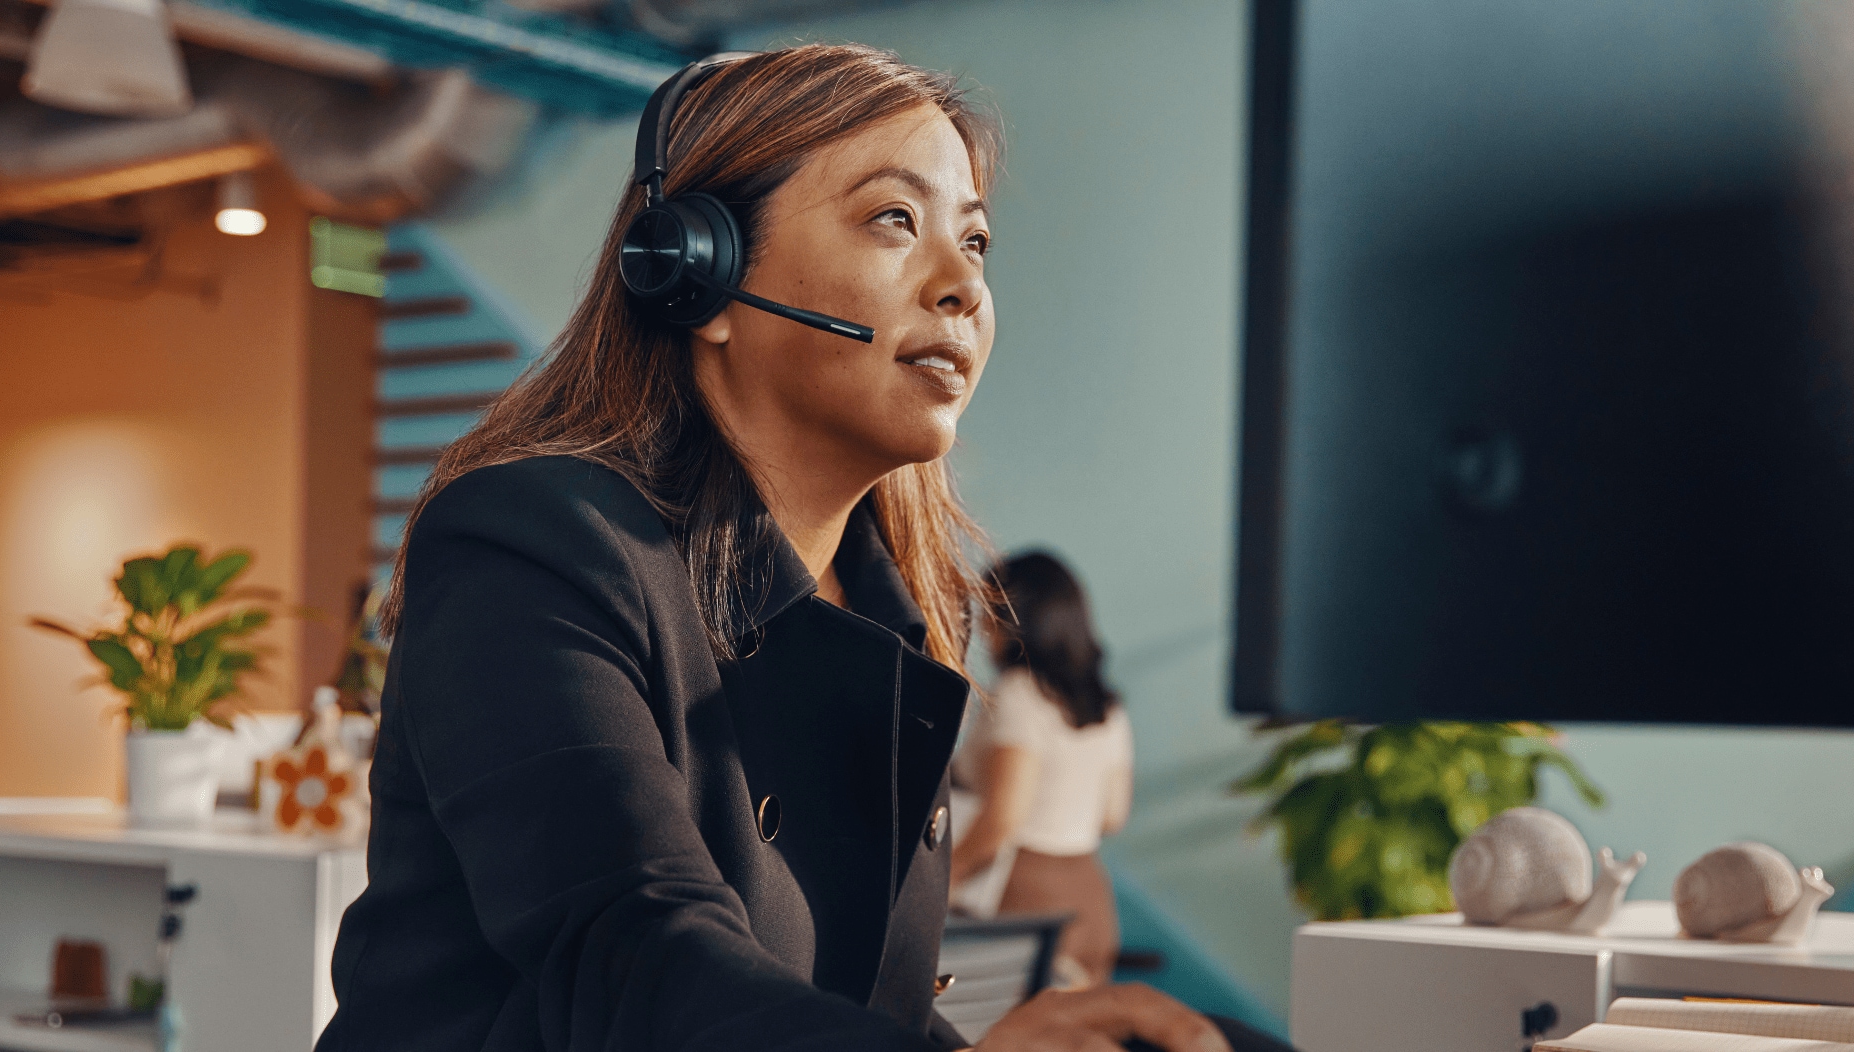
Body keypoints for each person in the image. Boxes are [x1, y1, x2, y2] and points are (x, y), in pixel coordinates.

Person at [314, 44, 1281, 1052]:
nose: (962, 286)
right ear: (703, 274)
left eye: (977, 241)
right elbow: (634, 954)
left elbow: (863, 1005)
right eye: (894, 220)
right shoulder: (536, 543)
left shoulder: (897, 609)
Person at [950, 552, 1134, 989]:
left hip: (1029, 903)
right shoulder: (1107, 707)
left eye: (990, 617)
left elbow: (1003, 820)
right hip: (1091, 898)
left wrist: (938, 886)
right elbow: (1113, 816)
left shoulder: (1019, 695)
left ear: (1014, 620)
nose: (986, 631)